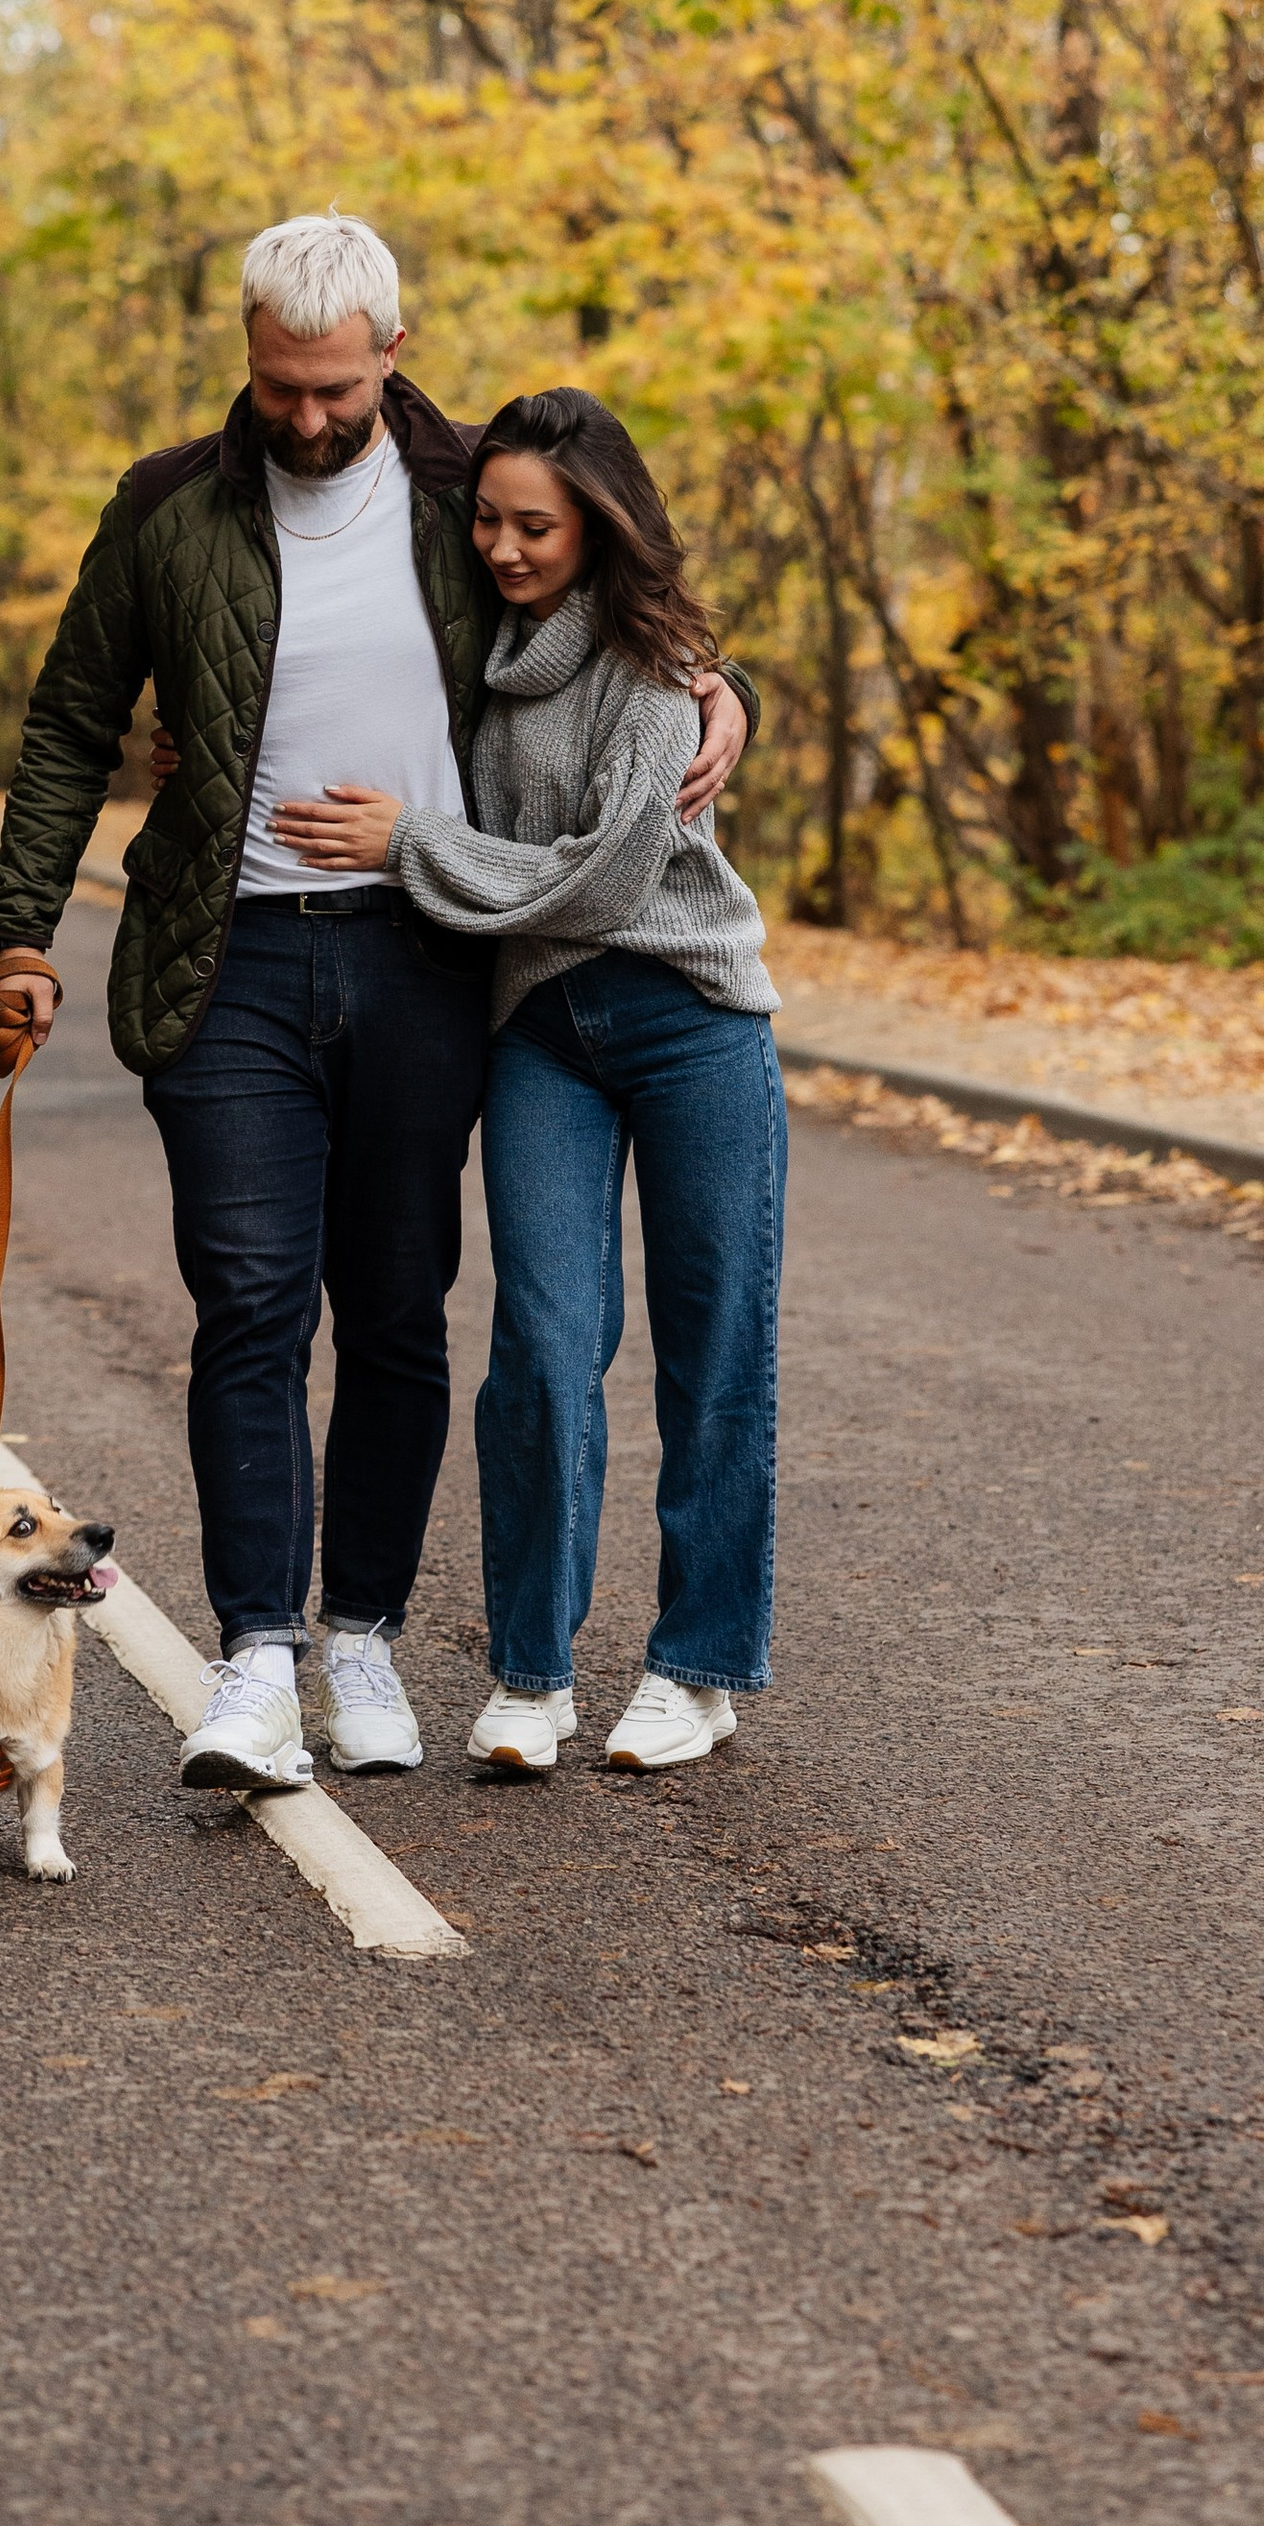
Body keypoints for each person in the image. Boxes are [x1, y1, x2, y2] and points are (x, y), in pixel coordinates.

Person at [0, 218, 754, 1794]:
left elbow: (617, 600)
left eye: (334, 389)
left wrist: (728, 692)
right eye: (278, 386)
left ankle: (367, 1639)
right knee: (249, 1302)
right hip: (228, 956)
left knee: (396, 1314)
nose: (308, 419)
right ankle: (257, 1657)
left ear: (394, 351)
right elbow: (68, 721)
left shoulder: (472, 488)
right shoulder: (166, 506)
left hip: (429, 955)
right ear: (246, 356)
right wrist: (20, 936)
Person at [271, 385, 785, 1775]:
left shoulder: (661, 673)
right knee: (543, 1354)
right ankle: (534, 1672)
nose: (502, 548)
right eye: (487, 521)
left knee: (715, 1352)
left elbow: (616, 879)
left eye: (536, 528)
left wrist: (413, 848)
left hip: (691, 1016)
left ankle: (698, 1665)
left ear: (600, 523)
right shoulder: (468, 645)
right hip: (542, 1028)